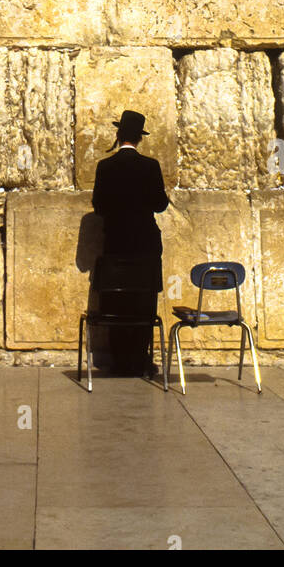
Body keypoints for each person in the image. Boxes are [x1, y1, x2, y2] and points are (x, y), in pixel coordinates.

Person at [91, 109, 169, 375]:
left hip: (116, 245)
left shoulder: (105, 167)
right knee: (143, 304)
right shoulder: (150, 166)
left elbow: (99, 206)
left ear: (118, 134)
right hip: (145, 246)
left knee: (116, 303)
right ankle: (139, 360)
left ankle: (118, 361)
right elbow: (160, 205)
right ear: (140, 138)